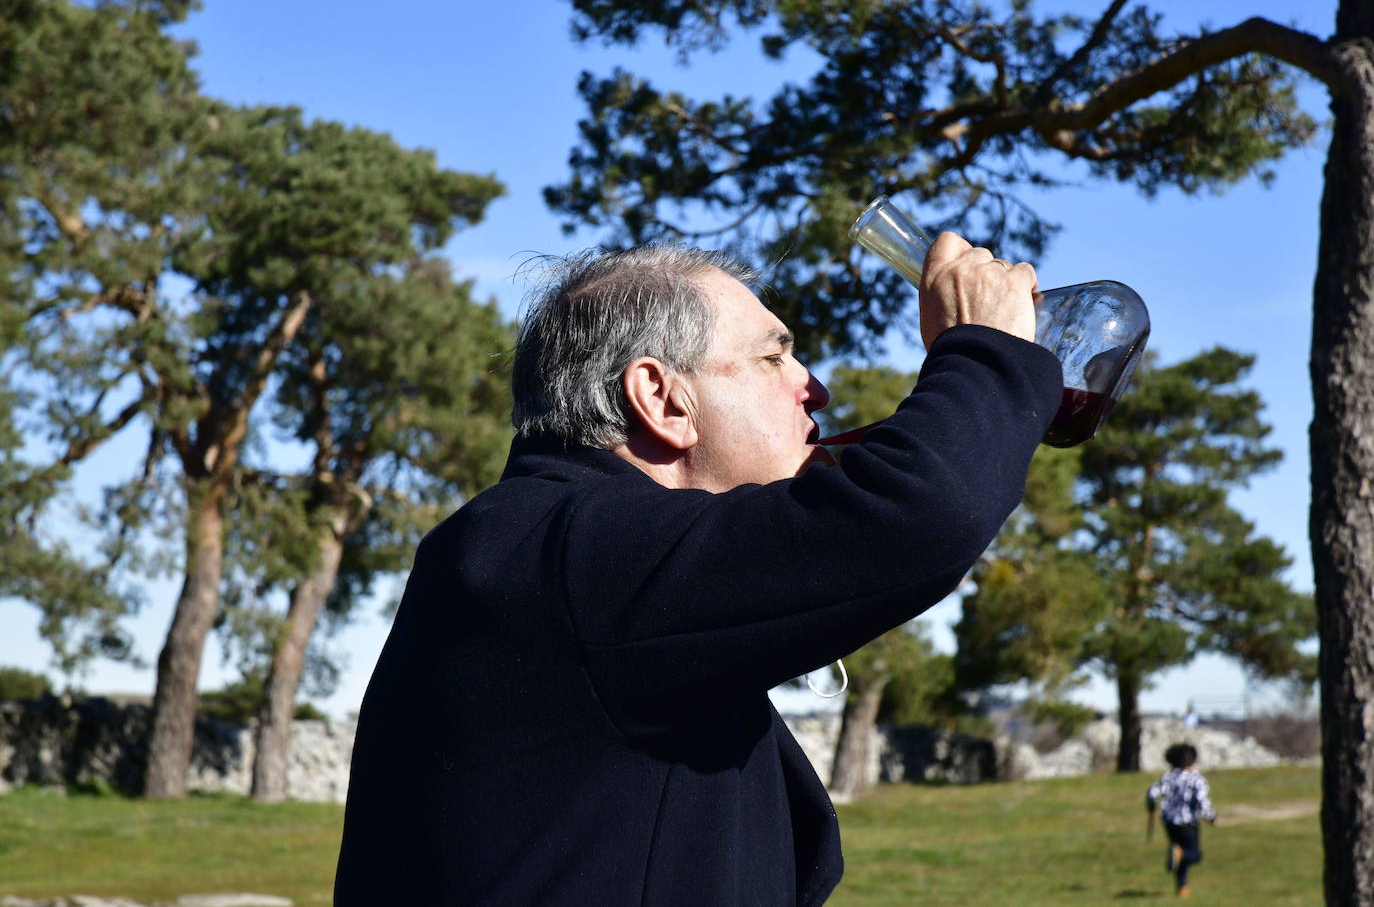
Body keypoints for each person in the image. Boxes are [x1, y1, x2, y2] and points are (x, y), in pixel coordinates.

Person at [333, 233, 1062, 905]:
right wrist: (985, 351)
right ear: (662, 399)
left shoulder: (555, 552)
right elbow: (919, 513)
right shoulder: (565, 555)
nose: (816, 389)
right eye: (774, 357)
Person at [1147, 742, 1218, 898]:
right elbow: (1202, 802)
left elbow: (1152, 793)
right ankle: (1179, 860)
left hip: (1169, 822)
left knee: (1178, 852)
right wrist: (1211, 817)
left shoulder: (1167, 777)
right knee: (1194, 854)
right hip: (1188, 823)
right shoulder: (1196, 779)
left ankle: (1182, 886)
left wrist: (1151, 804)